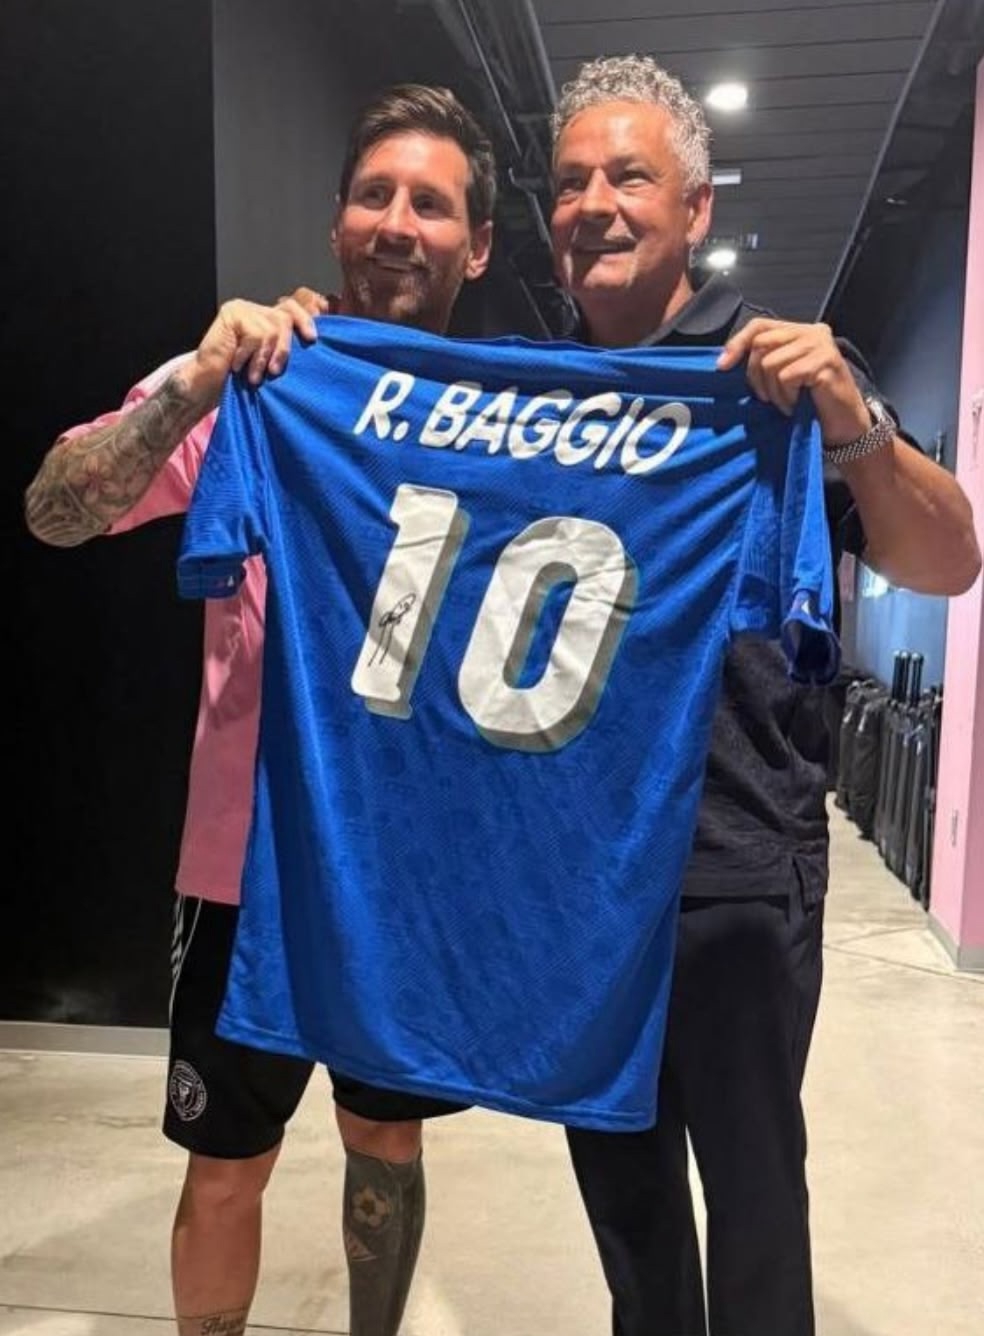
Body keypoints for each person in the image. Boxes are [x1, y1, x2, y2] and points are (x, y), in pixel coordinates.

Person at [24, 83, 495, 1336]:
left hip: (403, 868)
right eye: (375, 195)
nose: (398, 222)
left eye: (431, 202)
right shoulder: (254, 381)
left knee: (387, 1140)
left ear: (477, 244)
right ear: (337, 221)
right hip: (243, 870)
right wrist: (196, 378)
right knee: (226, 1161)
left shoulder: (509, 422)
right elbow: (55, 506)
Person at [549, 54, 980, 1336]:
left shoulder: (779, 379)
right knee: (626, 1217)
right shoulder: (535, 394)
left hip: (735, 869)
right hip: (581, 879)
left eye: (630, 176)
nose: (595, 203)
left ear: (695, 209)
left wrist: (849, 415)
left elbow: (950, 558)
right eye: (571, 180)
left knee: (752, 1210)